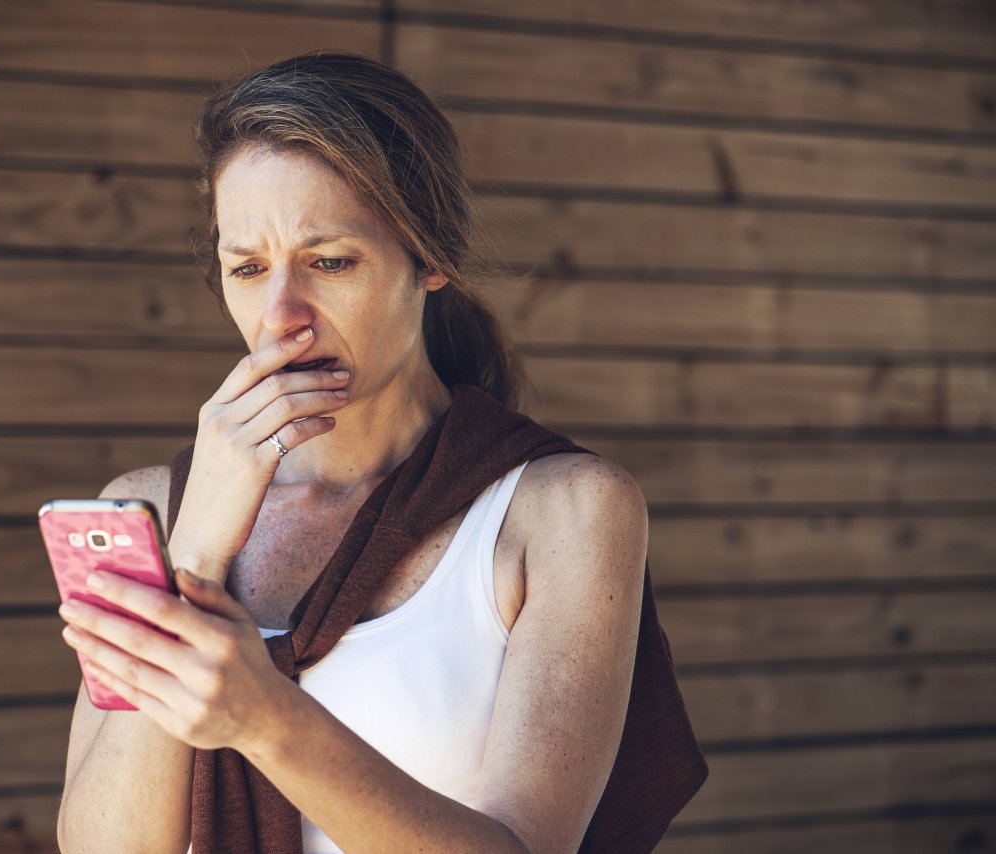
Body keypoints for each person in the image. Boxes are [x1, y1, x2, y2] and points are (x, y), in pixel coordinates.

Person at [55, 50, 705, 853]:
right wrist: (193, 552)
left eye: (329, 262)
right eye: (248, 268)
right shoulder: (147, 510)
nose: (279, 318)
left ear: (433, 255)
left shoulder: (563, 511)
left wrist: (266, 720)